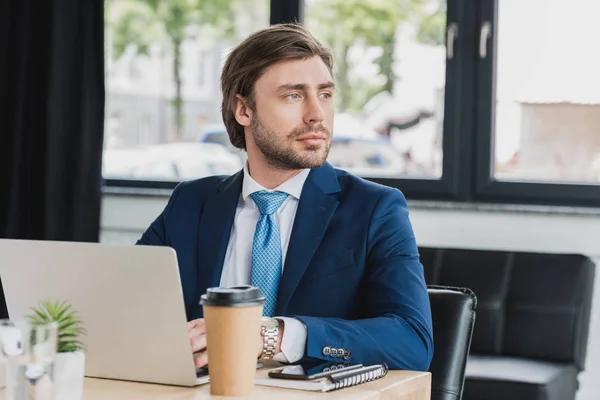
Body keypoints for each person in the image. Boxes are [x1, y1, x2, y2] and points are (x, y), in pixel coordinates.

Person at [137, 23, 433, 371]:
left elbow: (413, 342)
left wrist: (272, 336)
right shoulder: (191, 202)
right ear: (243, 110)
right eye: (293, 95)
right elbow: (121, 305)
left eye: (324, 94)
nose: (316, 114)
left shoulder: (375, 209)